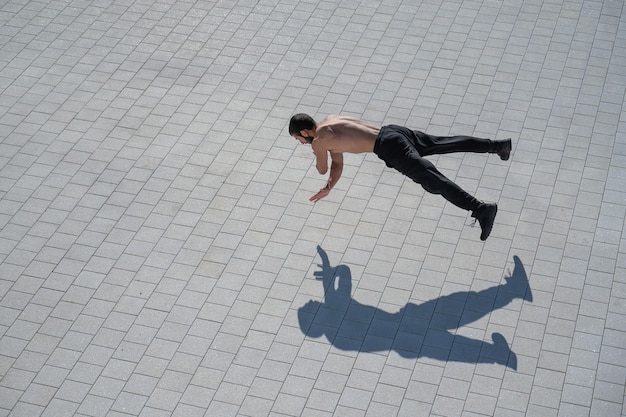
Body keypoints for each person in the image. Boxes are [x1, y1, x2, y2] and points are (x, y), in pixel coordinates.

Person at [288, 113, 512, 240]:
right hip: (393, 132)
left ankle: (480, 208)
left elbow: (322, 167)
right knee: (444, 143)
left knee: (432, 180)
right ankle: (496, 146)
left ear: (305, 132)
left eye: (298, 138)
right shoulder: (331, 119)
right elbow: (336, 163)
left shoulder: (318, 141)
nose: (299, 142)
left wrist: (316, 151)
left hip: (389, 148)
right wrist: (329, 187)